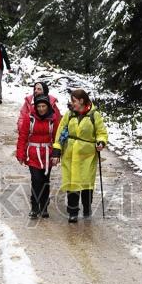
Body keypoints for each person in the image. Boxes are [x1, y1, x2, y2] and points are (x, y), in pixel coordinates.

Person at [51, 89, 108, 223]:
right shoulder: (69, 114)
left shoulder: (95, 115)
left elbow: (101, 132)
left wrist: (101, 141)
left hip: (87, 156)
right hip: (70, 154)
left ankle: (87, 207)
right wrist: (57, 151)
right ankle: (73, 212)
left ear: (82, 101)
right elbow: (60, 132)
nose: (72, 104)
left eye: (74, 101)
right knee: (72, 184)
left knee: (86, 184)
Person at [17, 95, 62, 219]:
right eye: (39, 106)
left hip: (47, 154)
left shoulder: (53, 120)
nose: (41, 109)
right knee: (36, 180)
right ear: (35, 107)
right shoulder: (29, 118)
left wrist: (57, 154)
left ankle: (44, 207)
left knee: (45, 181)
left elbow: (57, 138)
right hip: (33, 154)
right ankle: (35, 207)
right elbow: (23, 136)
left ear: (48, 106)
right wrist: (20, 154)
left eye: (44, 106)